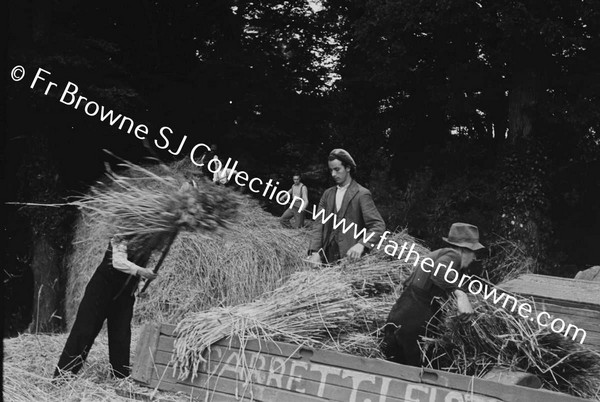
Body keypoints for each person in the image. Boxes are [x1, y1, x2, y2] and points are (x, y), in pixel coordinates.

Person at [54, 232, 168, 379]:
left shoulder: (147, 243)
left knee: (121, 337)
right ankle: (64, 377)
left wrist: (140, 285)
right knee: (84, 332)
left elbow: (139, 267)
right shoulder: (123, 232)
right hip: (102, 290)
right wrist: (142, 271)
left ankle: (120, 379)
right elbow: (118, 261)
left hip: (124, 295)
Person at [382, 222, 484, 366]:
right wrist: (462, 295)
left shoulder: (438, 254)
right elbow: (439, 272)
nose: (474, 258)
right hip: (412, 324)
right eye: (473, 252)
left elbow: (406, 284)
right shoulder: (453, 255)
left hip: (398, 318)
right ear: (464, 250)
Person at [307, 148, 385, 264]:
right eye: (331, 170)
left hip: (350, 258)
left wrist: (361, 244)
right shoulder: (327, 194)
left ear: (348, 168)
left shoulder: (362, 194)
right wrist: (314, 252)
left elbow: (378, 226)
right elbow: (318, 224)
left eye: (337, 169)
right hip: (326, 255)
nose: (333, 174)